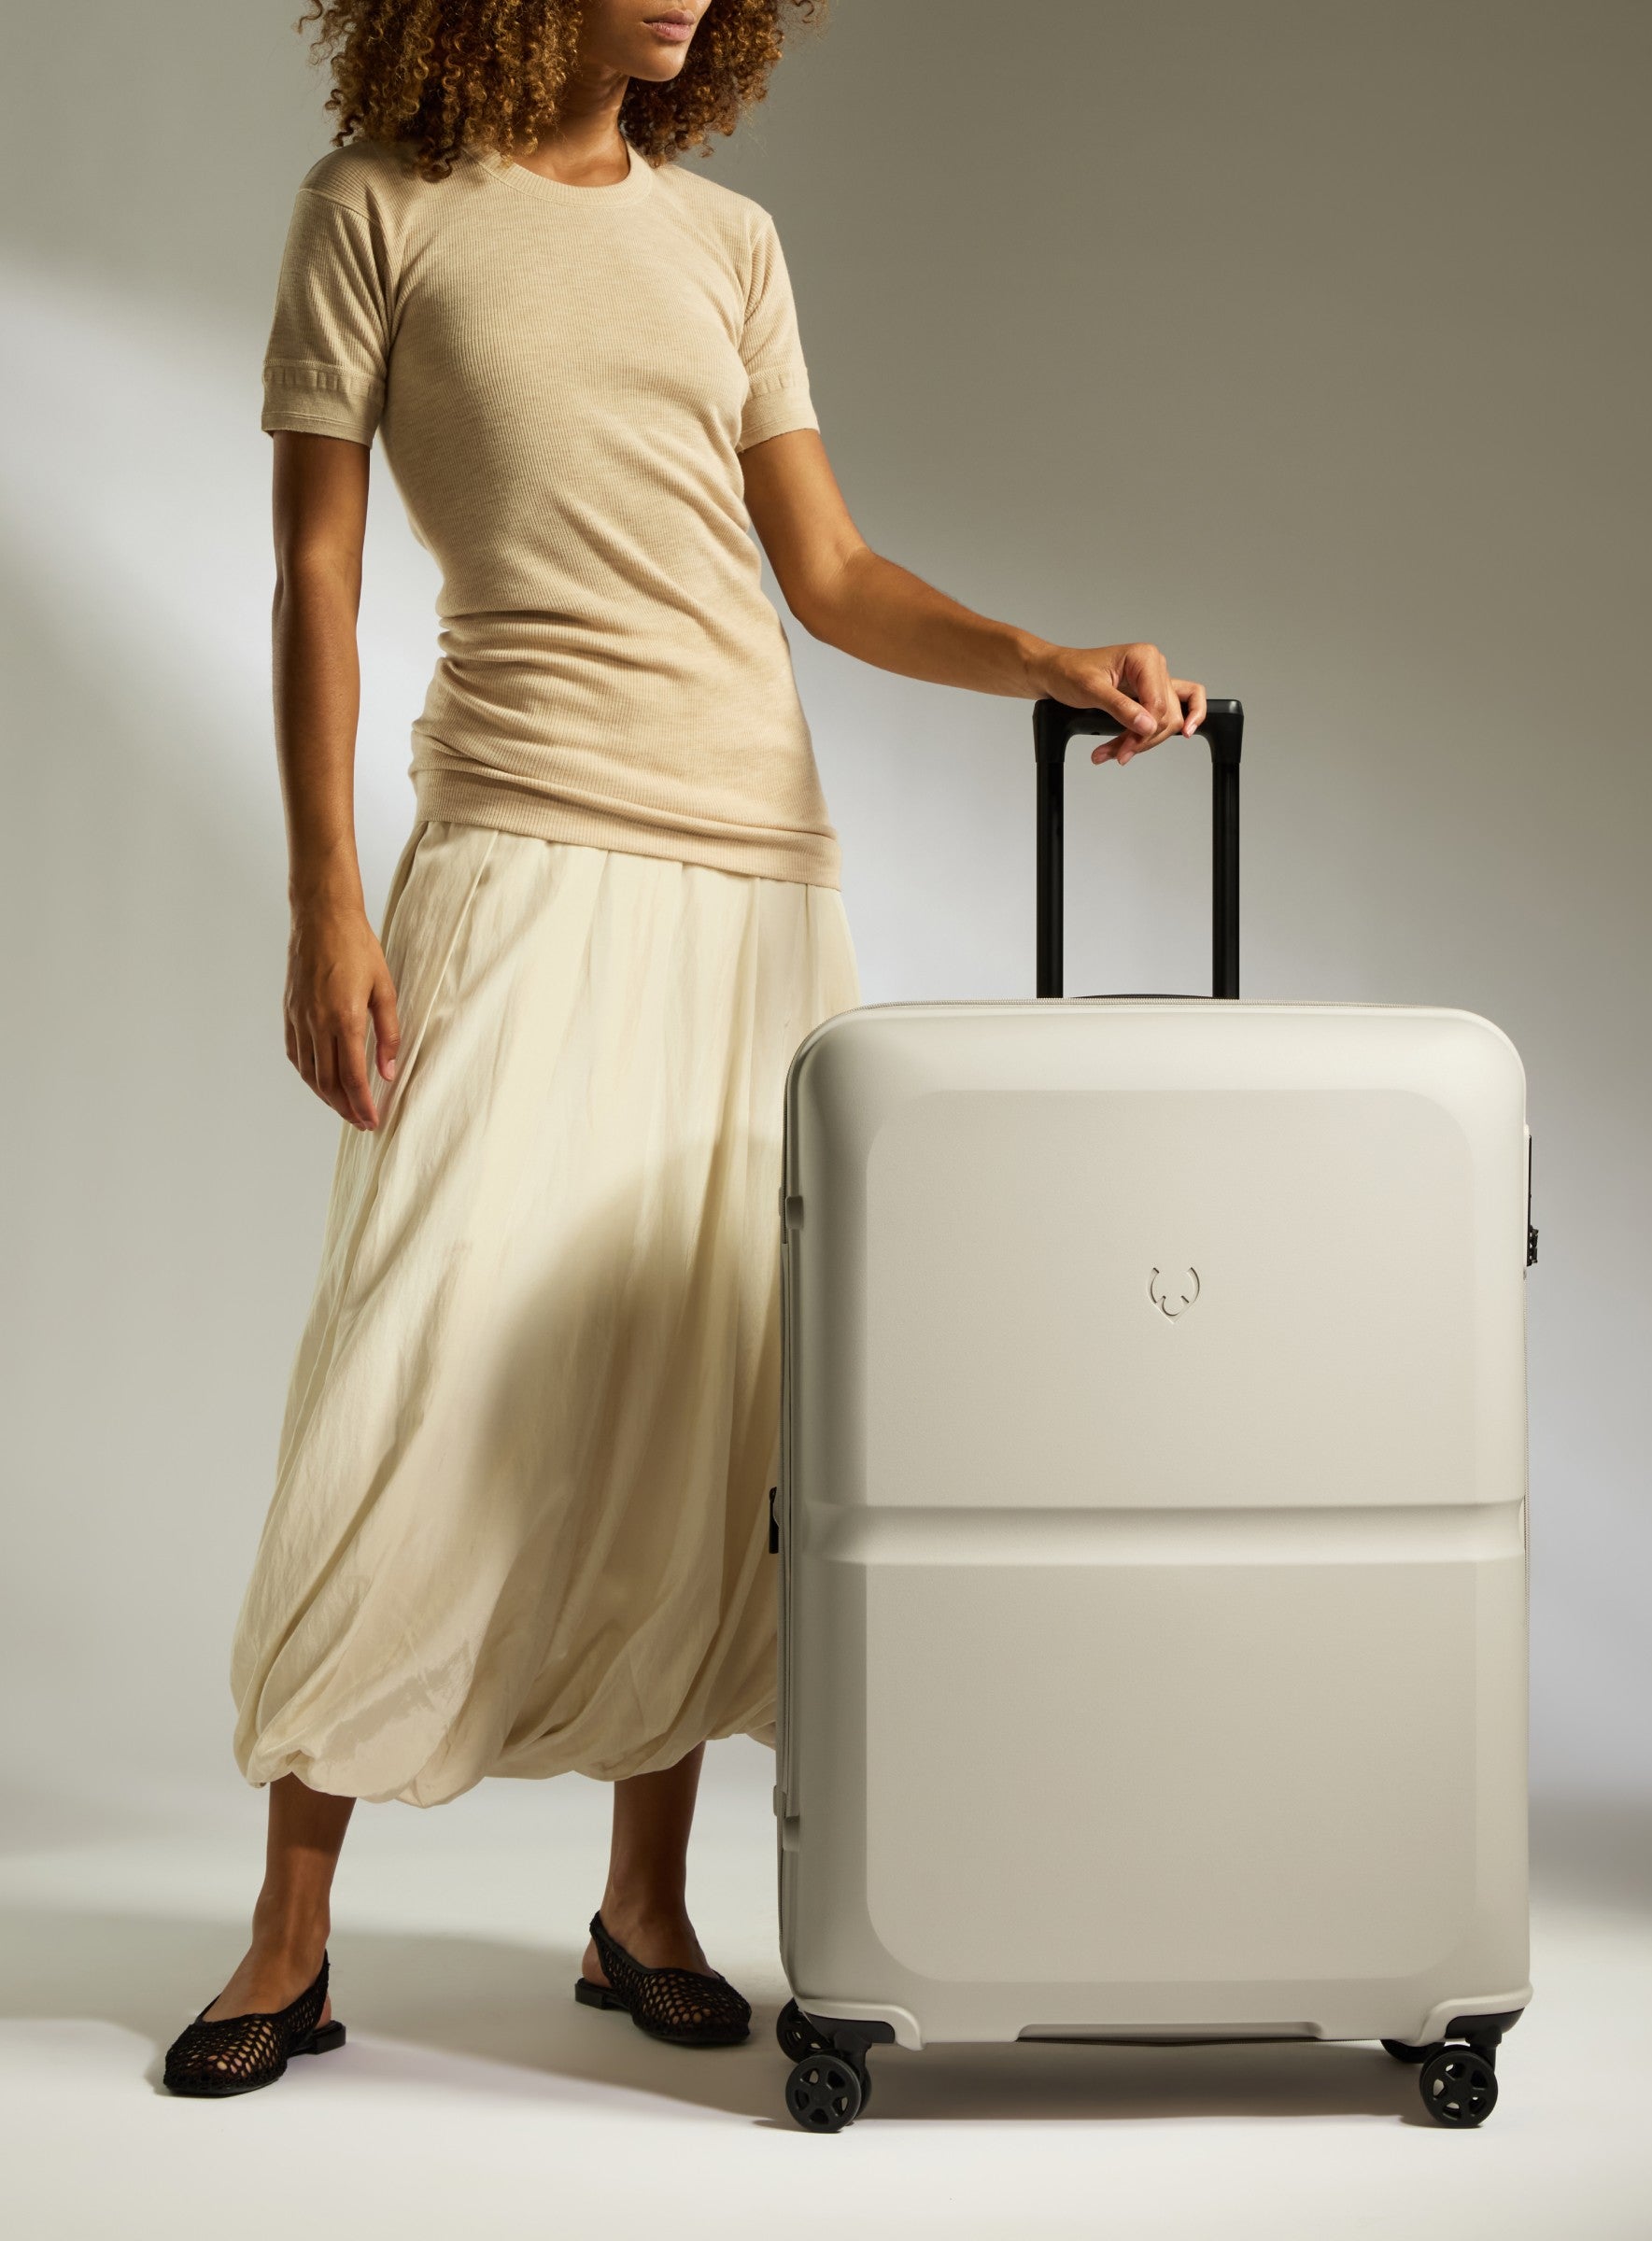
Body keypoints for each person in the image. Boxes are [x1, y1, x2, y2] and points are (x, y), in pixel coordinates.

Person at [163, 0, 1205, 2097]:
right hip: (517, 833)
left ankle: (644, 1904)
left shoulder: (729, 244)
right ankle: (290, 1927)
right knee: (419, 1345)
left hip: (756, 863)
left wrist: (1043, 656)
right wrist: (325, 894)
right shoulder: (375, 209)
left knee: (716, 1368)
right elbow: (314, 574)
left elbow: (828, 575)